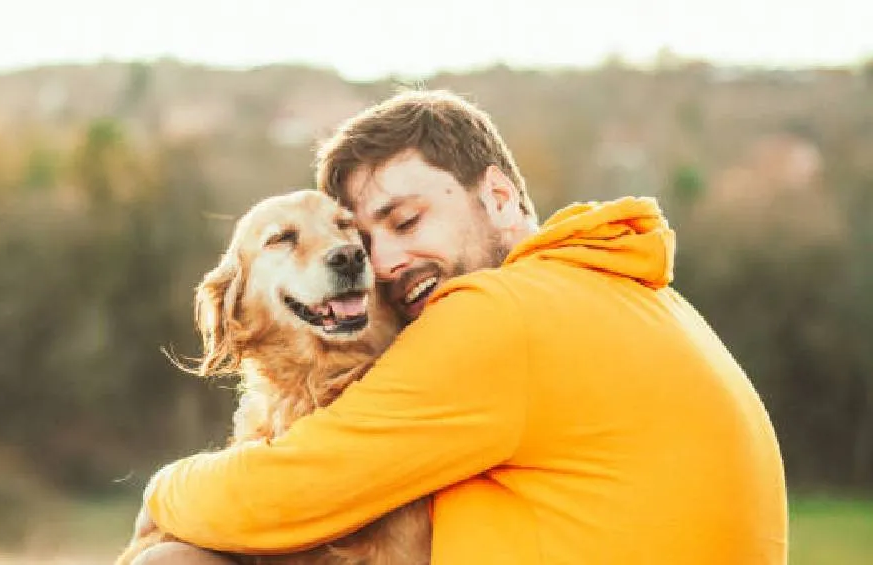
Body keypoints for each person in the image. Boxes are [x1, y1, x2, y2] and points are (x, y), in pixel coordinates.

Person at [136, 90, 788, 564]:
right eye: (368, 238)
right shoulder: (627, 293)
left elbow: (285, 490)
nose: (380, 263)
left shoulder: (499, 313)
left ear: (501, 198)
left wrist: (164, 489)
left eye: (407, 220)